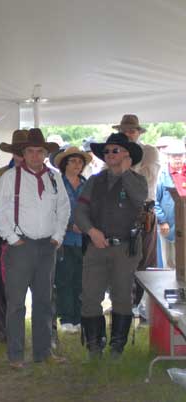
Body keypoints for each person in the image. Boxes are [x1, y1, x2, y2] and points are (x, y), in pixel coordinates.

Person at [0, 128, 70, 368]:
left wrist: (57, 236)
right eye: (30, 151)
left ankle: (43, 352)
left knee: (45, 301)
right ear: (22, 153)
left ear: (46, 153)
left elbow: (64, 208)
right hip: (20, 247)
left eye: (39, 151)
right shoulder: (9, 177)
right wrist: (13, 239)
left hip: (48, 246)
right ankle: (15, 355)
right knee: (16, 303)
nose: (35, 156)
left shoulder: (55, 177)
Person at [75, 132, 147, 359]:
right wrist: (91, 230)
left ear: (127, 155)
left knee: (122, 297)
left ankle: (117, 347)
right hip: (97, 246)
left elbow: (139, 198)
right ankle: (94, 346)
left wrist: (125, 172)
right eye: (106, 151)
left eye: (114, 150)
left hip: (125, 248)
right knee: (89, 297)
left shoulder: (138, 180)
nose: (109, 154)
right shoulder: (95, 180)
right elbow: (80, 210)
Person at [0, 130, 29, 343]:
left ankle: (48, 332)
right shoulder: (0, 176)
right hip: (5, 240)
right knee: (1, 288)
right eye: (19, 152)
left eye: (26, 151)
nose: (23, 156)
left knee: (44, 289)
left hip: (37, 241)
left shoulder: (46, 176)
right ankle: (0, 329)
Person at [113, 115, 160, 318]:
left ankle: (140, 305)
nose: (128, 133)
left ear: (139, 132)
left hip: (143, 212)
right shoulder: (116, 152)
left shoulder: (149, 151)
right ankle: (123, 302)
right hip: (120, 211)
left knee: (143, 260)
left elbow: (146, 178)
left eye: (132, 130)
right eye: (125, 130)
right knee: (120, 258)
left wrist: (126, 165)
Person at [50, 146, 92, 334]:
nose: (77, 165)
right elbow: (51, 211)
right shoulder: (56, 184)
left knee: (81, 280)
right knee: (64, 279)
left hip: (84, 240)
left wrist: (86, 225)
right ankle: (66, 318)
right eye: (73, 161)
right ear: (64, 164)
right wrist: (68, 226)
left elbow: (94, 209)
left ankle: (79, 317)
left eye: (80, 162)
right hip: (63, 239)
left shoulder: (87, 185)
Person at [155, 139, 185, 269]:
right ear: (168, 157)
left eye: (180, 155)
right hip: (167, 226)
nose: (178, 159)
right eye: (174, 156)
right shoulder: (161, 175)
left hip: (184, 225)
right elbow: (154, 201)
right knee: (168, 262)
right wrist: (162, 221)